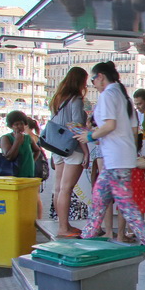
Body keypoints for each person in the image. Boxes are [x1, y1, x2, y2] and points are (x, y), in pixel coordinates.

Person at [74, 61, 145, 253]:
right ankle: (89, 232)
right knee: (100, 197)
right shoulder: (123, 97)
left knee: (123, 202)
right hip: (121, 157)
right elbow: (128, 128)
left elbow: (109, 125)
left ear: (101, 76)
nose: (92, 84)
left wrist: (89, 135)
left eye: (93, 79)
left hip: (116, 159)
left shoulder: (108, 96)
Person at [49, 66, 89, 237]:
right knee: (66, 188)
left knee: (58, 188)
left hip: (56, 146)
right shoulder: (76, 100)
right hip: (72, 147)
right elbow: (77, 126)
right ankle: (64, 228)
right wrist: (86, 151)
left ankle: (62, 224)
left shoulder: (57, 99)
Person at [0, 110, 39, 179]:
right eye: (16, 124)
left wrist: (31, 161)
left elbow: (37, 150)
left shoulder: (28, 138)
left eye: (22, 124)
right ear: (11, 126)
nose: (19, 126)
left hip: (28, 173)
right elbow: (9, 156)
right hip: (13, 175)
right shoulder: (6, 138)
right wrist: (17, 141)